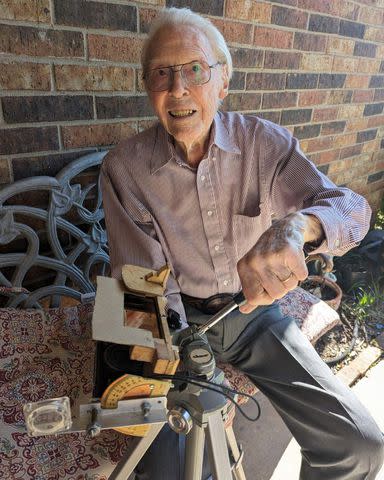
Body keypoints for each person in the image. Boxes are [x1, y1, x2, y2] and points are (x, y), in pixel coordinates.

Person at [101, 7, 384, 479]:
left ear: (223, 81)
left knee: (358, 445)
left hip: (254, 313)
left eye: (195, 70)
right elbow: (141, 287)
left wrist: (298, 228)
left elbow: (353, 210)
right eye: (161, 74)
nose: (178, 89)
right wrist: (180, 363)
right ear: (149, 88)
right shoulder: (125, 168)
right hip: (176, 323)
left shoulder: (265, 145)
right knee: (174, 467)